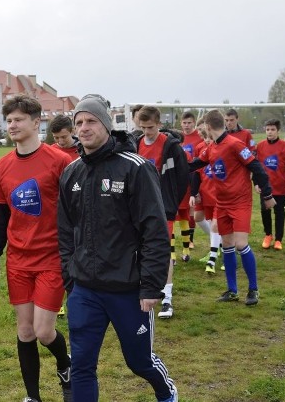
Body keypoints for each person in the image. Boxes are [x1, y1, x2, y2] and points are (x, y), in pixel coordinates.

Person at [58, 94, 177, 402]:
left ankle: (166, 392)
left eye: (91, 121)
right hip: (84, 290)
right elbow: (65, 232)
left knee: (139, 362)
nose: (83, 128)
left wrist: (151, 287)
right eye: (79, 122)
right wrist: (70, 277)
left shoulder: (135, 168)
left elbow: (155, 232)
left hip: (129, 288)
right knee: (81, 365)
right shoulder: (71, 173)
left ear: (107, 125)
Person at [0, 94, 72, 402]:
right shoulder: (3, 167)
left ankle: (66, 369)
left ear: (37, 123)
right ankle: (33, 396)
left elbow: (77, 210)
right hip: (18, 260)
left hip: (52, 257)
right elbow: (0, 214)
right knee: (25, 332)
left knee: (45, 331)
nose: (12, 125)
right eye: (8, 120)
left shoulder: (61, 162)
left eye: (19, 119)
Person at [190, 109, 275, 306]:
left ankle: (253, 290)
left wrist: (268, 194)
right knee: (227, 245)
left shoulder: (235, 144)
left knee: (240, 244)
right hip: (222, 203)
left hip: (240, 202)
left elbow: (257, 167)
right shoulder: (211, 148)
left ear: (208, 127)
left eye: (204, 128)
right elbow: (194, 164)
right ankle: (232, 290)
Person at [135, 106, 189, 319]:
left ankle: (167, 298)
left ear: (159, 124)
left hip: (162, 208)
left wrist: (171, 202)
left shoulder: (170, 145)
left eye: (150, 127)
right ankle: (142, 292)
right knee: (139, 250)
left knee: (163, 252)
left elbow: (183, 176)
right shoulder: (136, 143)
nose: (147, 131)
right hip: (139, 208)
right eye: (143, 127)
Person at [255, 119, 285, 251]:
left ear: (278, 131)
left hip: (281, 187)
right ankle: (268, 235)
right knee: (264, 211)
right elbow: (255, 167)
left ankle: (278, 239)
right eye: (268, 129)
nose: (270, 132)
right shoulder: (260, 146)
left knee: (279, 213)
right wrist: (256, 182)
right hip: (265, 187)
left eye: (272, 129)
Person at [189, 123, 222, 274]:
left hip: (219, 194)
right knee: (201, 219)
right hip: (204, 193)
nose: (207, 140)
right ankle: (218, 245)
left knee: (218, 225)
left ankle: (216, 254)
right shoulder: (201, 149)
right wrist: (195, 192)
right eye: (205, 138)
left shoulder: (222, 149)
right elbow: (196, 172)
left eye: (210, 137)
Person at [180, 112, 203, 248]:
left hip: (194, 177)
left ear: (194, 123)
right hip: (180, 178)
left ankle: (191, 240)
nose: (187, 125)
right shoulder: (178, 138)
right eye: (184, 123)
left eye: (189, 123)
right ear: (181, 123)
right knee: (182, 210)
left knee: (192, 209)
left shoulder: (199, 138)